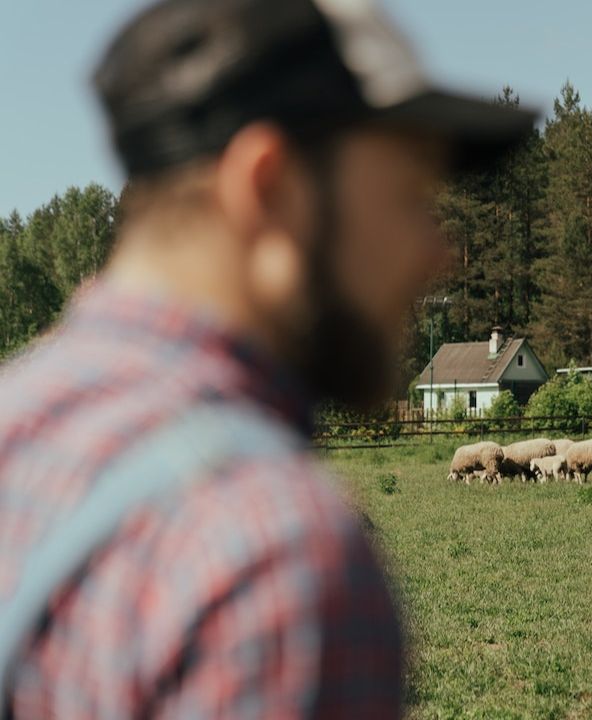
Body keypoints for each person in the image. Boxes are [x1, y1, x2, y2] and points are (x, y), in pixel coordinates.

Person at [0, 0, 535, 716]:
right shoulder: (277, 561)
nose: (437, 254)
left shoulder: (21, 423)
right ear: (270, 186)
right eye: (408, 196)